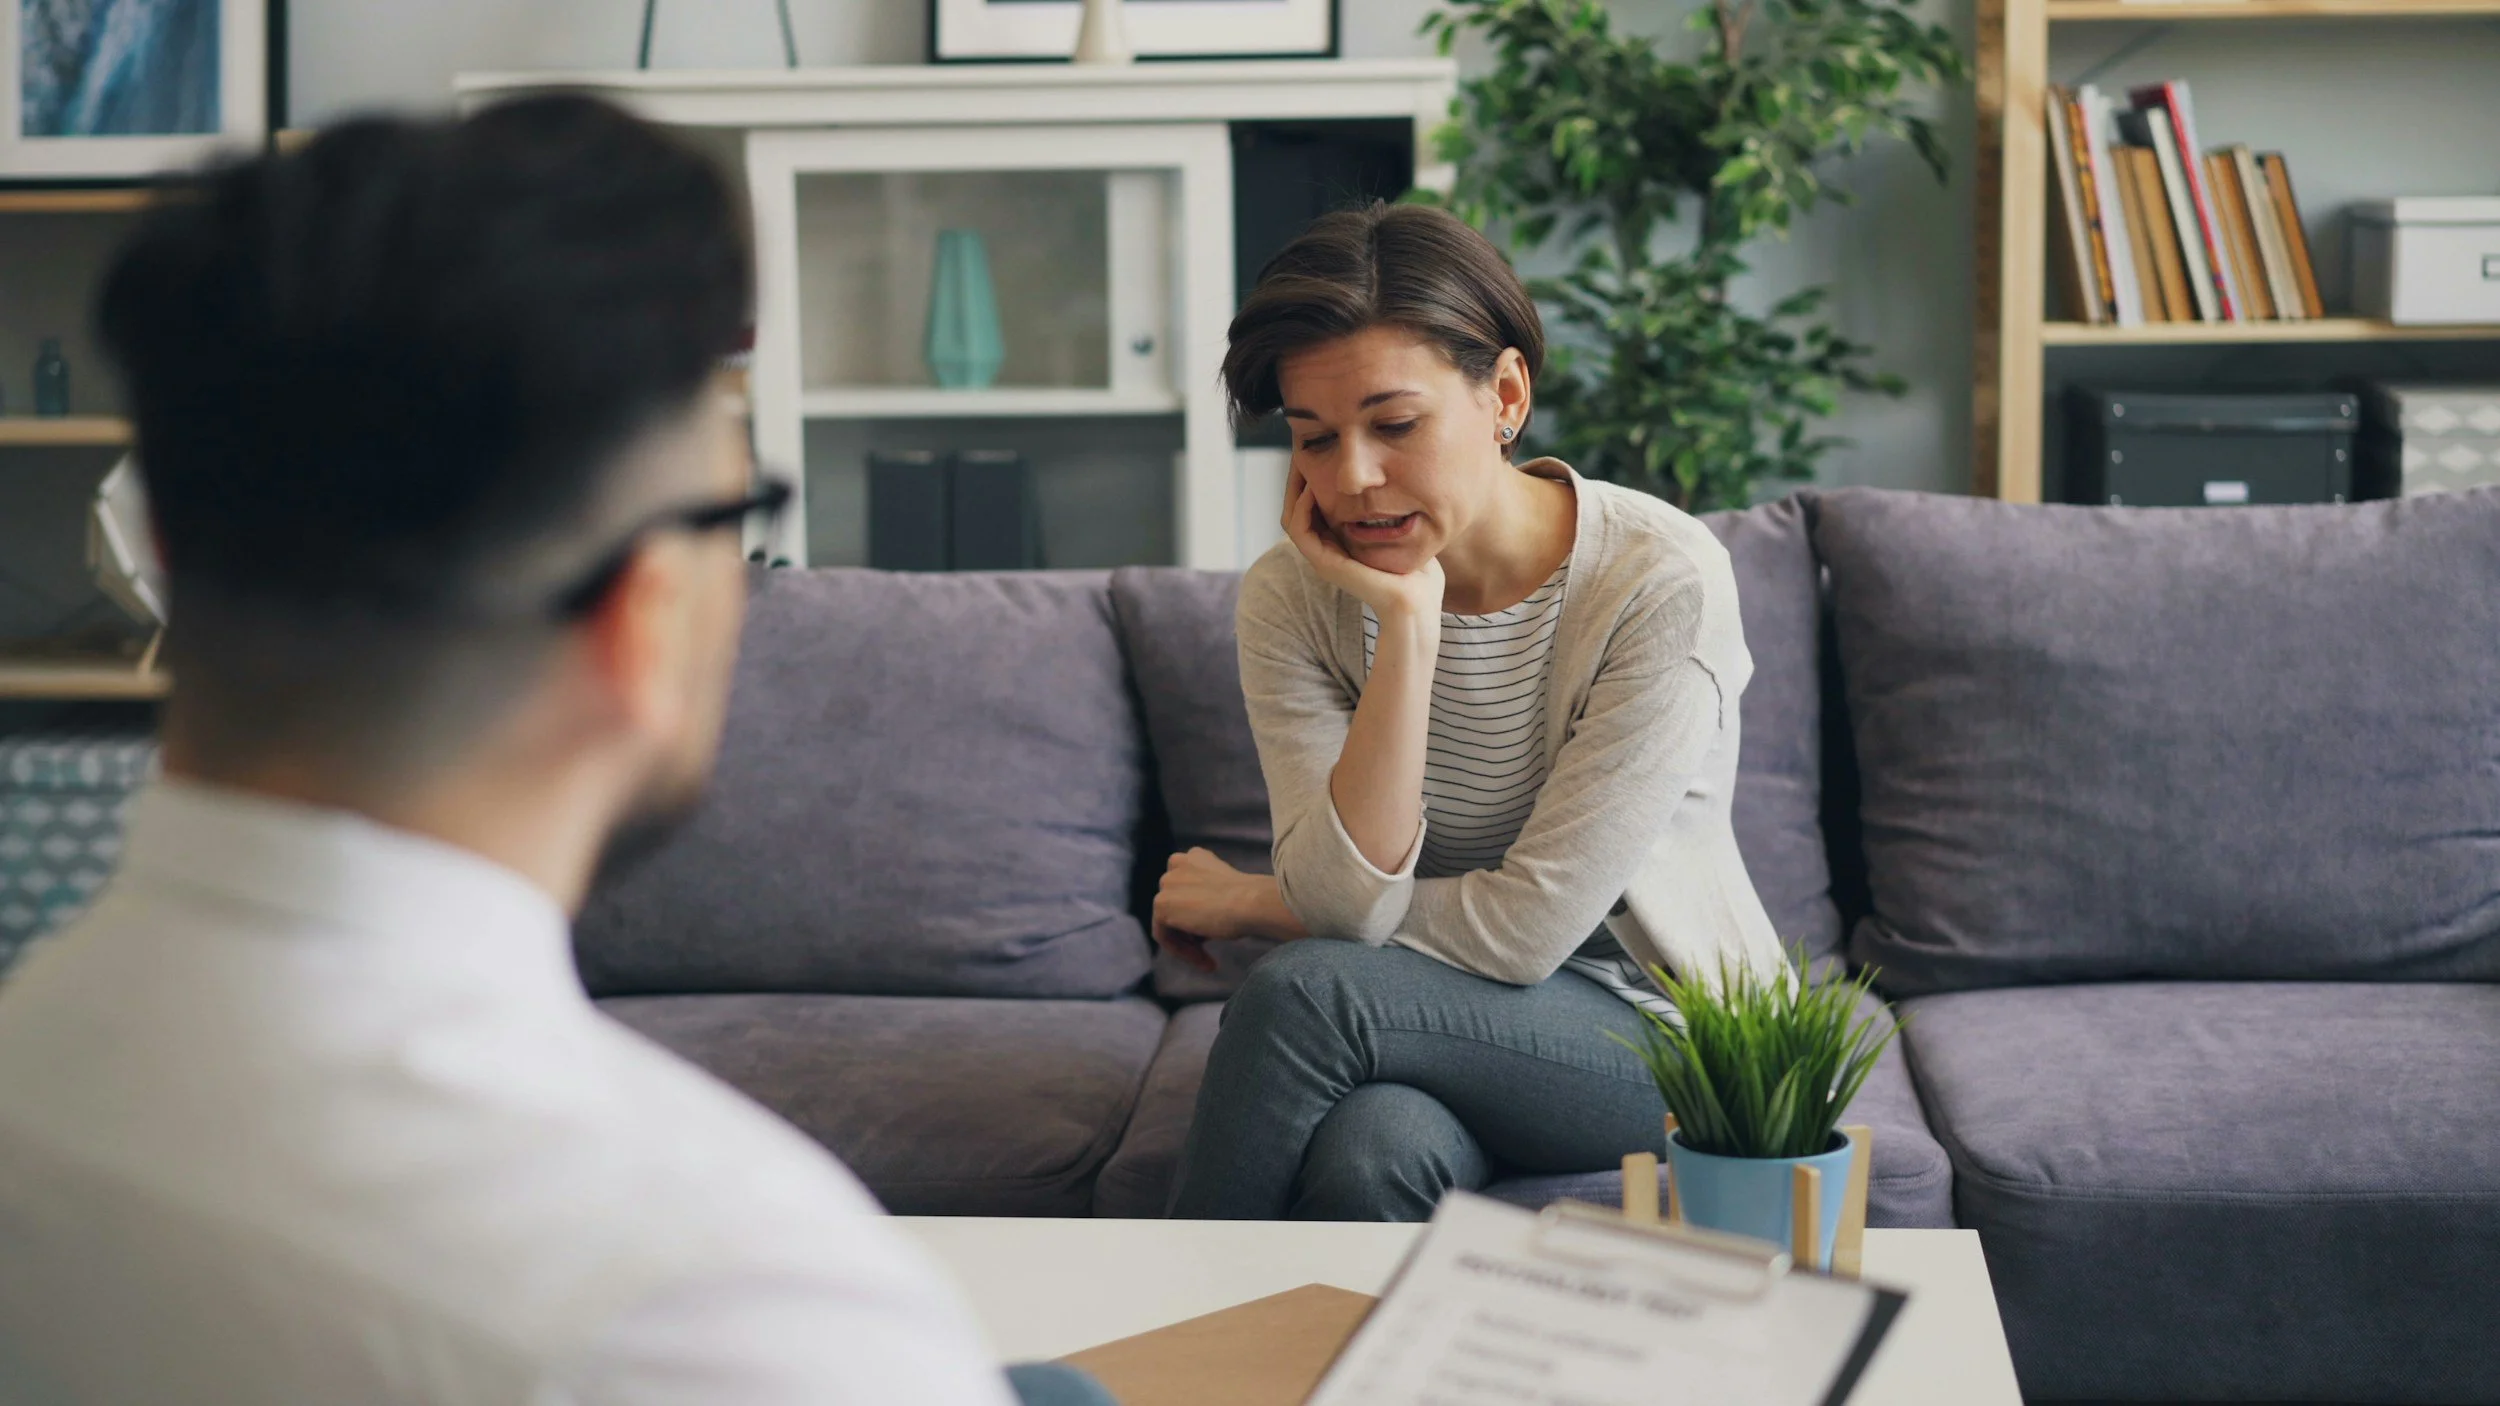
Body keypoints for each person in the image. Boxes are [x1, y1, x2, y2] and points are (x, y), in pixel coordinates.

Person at [0, 97, 1106, 1406]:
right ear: (641, 613)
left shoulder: (36, 1054)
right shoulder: (736, 1301)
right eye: (735, 516)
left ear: (173, 555)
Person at [1154, 202, 1791, 1221]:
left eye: (1394, 425)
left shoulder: (1657, 580)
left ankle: (1166, 1361)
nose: (1352, 478)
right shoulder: (1296, 597)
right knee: (1371, 1155)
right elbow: (1344, 901)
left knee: (1305, 991)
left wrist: (1251, 902)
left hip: (1674, 1040)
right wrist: (1408, 623)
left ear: (1503, 393)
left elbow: (1520, 931)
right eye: (1313, 439)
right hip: (1443, 1021)